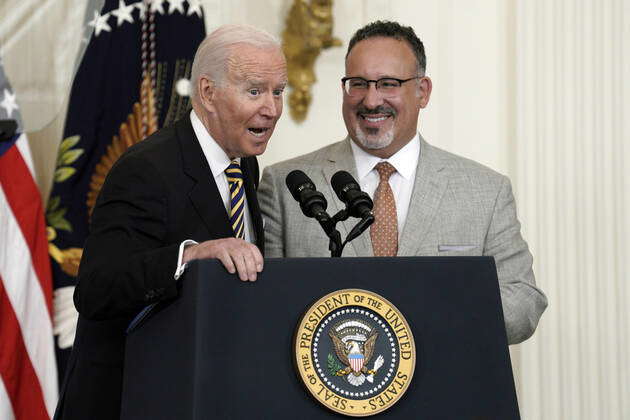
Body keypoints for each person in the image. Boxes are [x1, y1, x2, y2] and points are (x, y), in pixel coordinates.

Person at [258, 20, 547, 345]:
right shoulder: (285, 184)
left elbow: (524, 303)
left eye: (388, 83)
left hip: (443, 388)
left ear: (422, 92)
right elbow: (260, 305)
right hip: (328, 384)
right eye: (358, 84)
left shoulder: (485, 191)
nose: (370, 100)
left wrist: (433, 314)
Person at [54, 24, 287, 420]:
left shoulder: (242, 160)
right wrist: (190, 256)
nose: (272, 108)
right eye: (255, 91)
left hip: (200, 393)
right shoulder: (146, 168)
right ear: (208, 93)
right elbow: (96, 287)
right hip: (127, 401)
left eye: (278, 91)